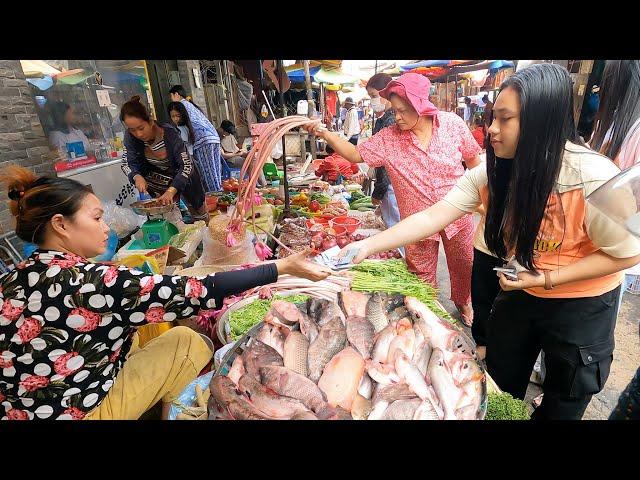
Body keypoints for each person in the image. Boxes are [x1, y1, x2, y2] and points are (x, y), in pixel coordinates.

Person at [337, 63, 640, 420]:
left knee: (565, 399)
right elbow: (433, 216)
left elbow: (625, 256)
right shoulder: (492, 172)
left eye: (505, 119)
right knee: (497, 382)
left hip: (581, 306)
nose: (491, 130)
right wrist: (367, 247)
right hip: (520, 293)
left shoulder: (592, 179)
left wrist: (546, 279)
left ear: (542, 121)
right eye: (492, 117)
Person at [0, 165, 331, 421]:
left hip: (24, 408)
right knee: (186, 341)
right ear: (60, 224)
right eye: (97, 218)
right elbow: (199, 290)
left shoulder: (13, 277)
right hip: (78, 411)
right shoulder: (92, 280)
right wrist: (283, 267)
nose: (106, 228)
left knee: (134, 333)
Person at [305, 72, 481, 326]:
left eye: (403, 110)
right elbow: (355, 154)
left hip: (458, 214)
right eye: (395, 110)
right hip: (416, 224)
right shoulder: (389, 139)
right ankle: (427, 316)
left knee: (464, 264)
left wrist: (480, 199)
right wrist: (325, 134)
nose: (397, 116)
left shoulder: (452, 124)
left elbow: (474, 160)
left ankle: (463, 302)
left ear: (420, 104)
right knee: (421, 277)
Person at [120, 96, 207, 222]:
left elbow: (186, 166)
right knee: (171, 217)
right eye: (132, 130)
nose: (138, 134)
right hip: (158, 181)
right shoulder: (130, 138)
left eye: (141, 128)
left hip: (184, 176)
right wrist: (136, 176)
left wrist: (172, 190)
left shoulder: (169, 134)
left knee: (199, 213)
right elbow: (127, 163)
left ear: (150, 121)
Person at [169, 85, 223, 193]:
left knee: (208, 175)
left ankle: (216, 199)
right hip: (213, 138)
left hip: (203, 141)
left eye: (171, 96)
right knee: (215, 174)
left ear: (176, 94)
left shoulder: (181, 105)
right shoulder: (189, 104)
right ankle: (219, 196)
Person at [366, 73, 401, 229]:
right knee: (391, 226)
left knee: (396, 231)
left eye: (374, 95)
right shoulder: (383, 119)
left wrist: (378, 191)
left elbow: (389, 162)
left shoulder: (392, 120)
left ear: (385, 93)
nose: (372, 101)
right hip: (388, 186)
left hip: (391, 185)